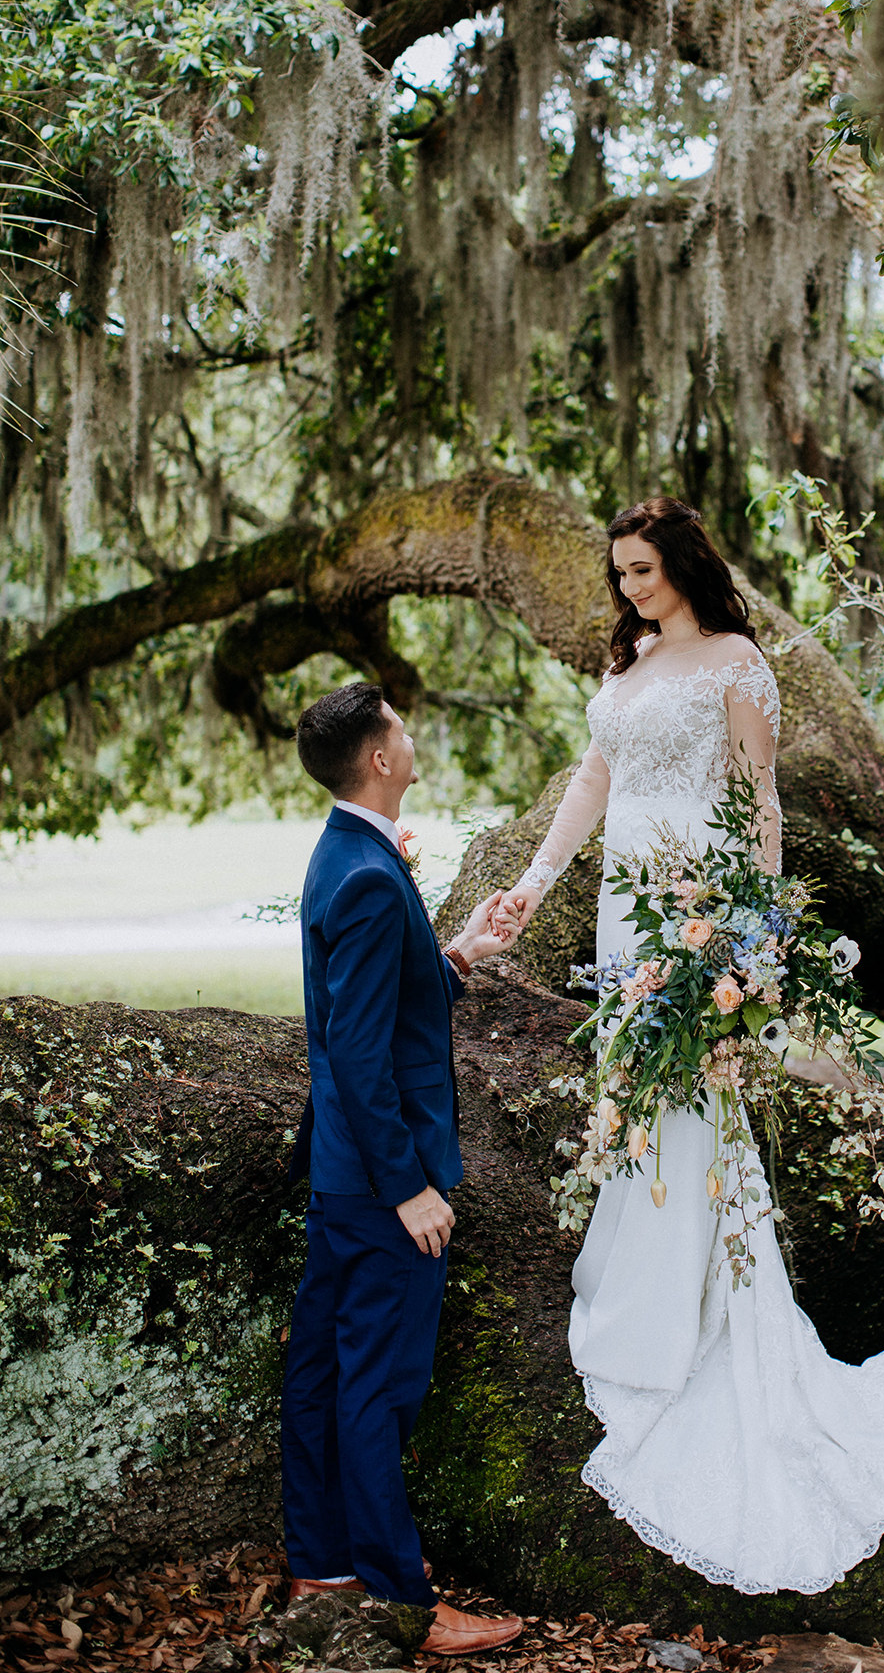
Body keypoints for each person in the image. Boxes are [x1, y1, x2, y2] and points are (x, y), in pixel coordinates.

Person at [497, 497, 884, 1597]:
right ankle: (638, 1286)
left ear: (684, 561)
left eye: (644, 569)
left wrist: (752, 935)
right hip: (623, 905)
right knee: (633, 1090)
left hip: (701, 898)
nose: (631, 587)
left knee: (691, 1093)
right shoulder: (632, 659)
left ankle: (685, 1319)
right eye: (621, 573)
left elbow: (759, 798)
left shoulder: (737, 660)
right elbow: (592, 781)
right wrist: (532, 884)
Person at [282, 681, 523, 1656]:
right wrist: (409, 1184)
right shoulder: (372, 876)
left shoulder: (347, 852)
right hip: (383, 1183)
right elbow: (357, 1051)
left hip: (341, 1172)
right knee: (378, 1383)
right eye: (399, 724)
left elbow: (377, 1005)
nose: (409, 734)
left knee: (322, 1367)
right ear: (379, 756)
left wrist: (455, 954)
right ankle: (399, 1595)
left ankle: (322, 1561)